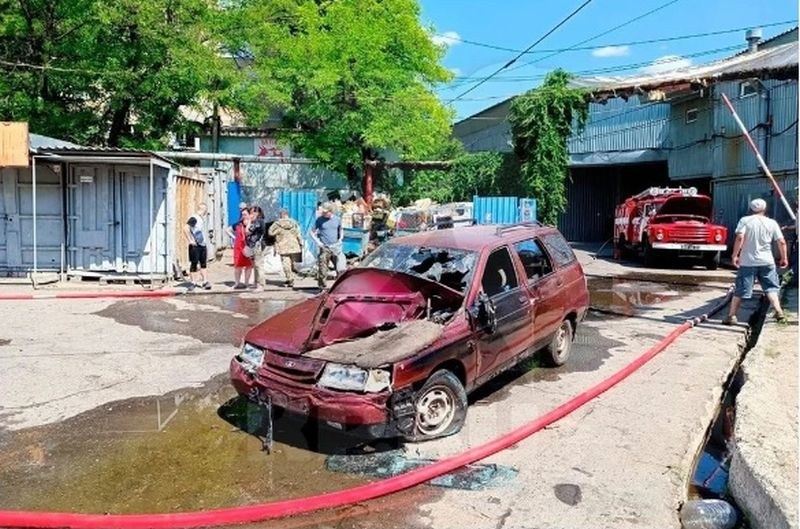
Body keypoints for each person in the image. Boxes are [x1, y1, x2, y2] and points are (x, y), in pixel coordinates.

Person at [724, 198, 789, 325]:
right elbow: (781, 241)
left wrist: (734, 255)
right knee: (771, 288)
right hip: (767, 262)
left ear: (750, 209)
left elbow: (740, 237)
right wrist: (784, 257)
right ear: (765, 209)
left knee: (741, 290)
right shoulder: (772, 223)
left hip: (748, 262)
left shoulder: (745, 221)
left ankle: (731, 316)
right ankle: (779, 313)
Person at [310, 202, 345, 289]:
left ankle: (339, 287)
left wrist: (341, 238)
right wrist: (318, 242)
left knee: (340, 268)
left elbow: (341, 230)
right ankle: (322, 287)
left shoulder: (337, 219)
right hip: (324, 247)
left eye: (326, 212)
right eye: (323, 212)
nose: (324, 213)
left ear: (331, 211)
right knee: (322, 268)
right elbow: (312, 232)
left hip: (336, 247)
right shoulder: (319, 220)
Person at [269, 208, 304, 287]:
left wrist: (277, 232)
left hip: (283, 245)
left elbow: (270, 232)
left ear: (282, 214)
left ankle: (290, 278)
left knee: (285, 263)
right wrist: (301, 243)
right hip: (293, 245)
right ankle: (290, 278)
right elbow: (298, 233)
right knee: (291, 262)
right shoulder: (294, 222)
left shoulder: (277, 223)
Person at [183, 203, 211, 290]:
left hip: (202, 244)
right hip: (195, 245)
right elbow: (186, 228)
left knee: (203, 263)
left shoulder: (201, 219)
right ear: (203, 210)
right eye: (205, 211)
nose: (205, 213)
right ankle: (193, 282)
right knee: (194, 263)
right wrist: (190, 240)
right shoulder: (194, 218)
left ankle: (205, 281)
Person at [226, 208, 253, 289]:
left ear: (249, 214)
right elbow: (227, 230)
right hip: (238, 248)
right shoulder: (238, 224)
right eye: (242, 214)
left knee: (249, 266)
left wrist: (249, 222)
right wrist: (234, 237)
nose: (243, 216)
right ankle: (237, 283)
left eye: (245, 214)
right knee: (238, 266)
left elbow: (248, 232)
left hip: (248, 247)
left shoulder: (253, 224)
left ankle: (246, 283)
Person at [247, 206, 267, 290]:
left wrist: (249, 221)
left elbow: (247, 231)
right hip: (254, 245)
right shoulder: (257, 221)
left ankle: (260, 285)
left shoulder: (258, 222)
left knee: (258, 265)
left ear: (257, 213)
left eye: (252, 212)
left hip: (257, 246)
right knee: (255, 265)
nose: (250, 214)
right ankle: (256, 283)